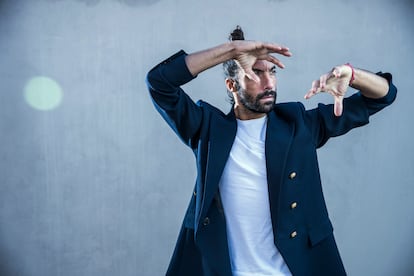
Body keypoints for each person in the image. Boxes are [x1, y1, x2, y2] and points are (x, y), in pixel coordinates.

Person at [145, 26, 397, 276]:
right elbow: (159, 82)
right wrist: (231, 50)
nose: (268, 83)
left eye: (272, 72)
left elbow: (383, 96)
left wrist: (351, 75)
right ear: (232, 85)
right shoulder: (208, 129)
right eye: (256, 73)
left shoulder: (297, 124)